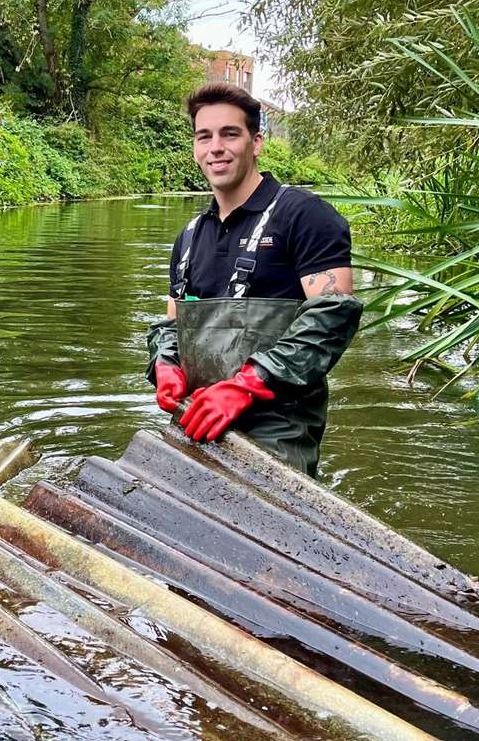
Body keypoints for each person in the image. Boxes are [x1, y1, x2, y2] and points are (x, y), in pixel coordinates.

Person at [146, 82, 362, 476]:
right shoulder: (189, 237)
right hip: (196, 420)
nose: (216, 147)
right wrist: (164, 363)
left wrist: (247, 385)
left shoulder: (307, 217)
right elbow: (172, 324)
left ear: (256, 142)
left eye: (230, 134)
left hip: (278, 432)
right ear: (195, 147)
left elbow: (332, 319)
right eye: (204, 136)